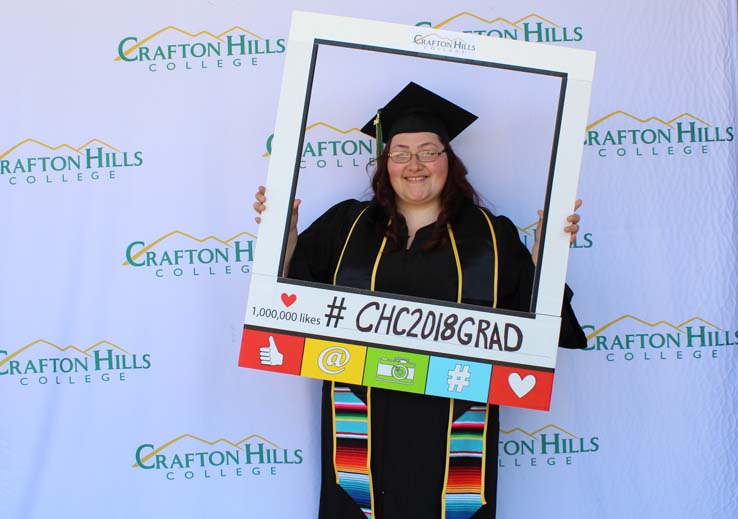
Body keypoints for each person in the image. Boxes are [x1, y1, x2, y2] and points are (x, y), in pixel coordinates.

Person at [253, 82, 587, 519]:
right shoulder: (346, 225)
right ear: (384, 163)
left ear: (450, 161)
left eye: (429, 151)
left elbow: (542, 327)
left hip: (451, 422)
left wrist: (547, 260)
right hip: (361, 413)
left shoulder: (490, 234)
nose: (415, 164)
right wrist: (286, 240)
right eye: (401, 153)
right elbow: (285, 307)